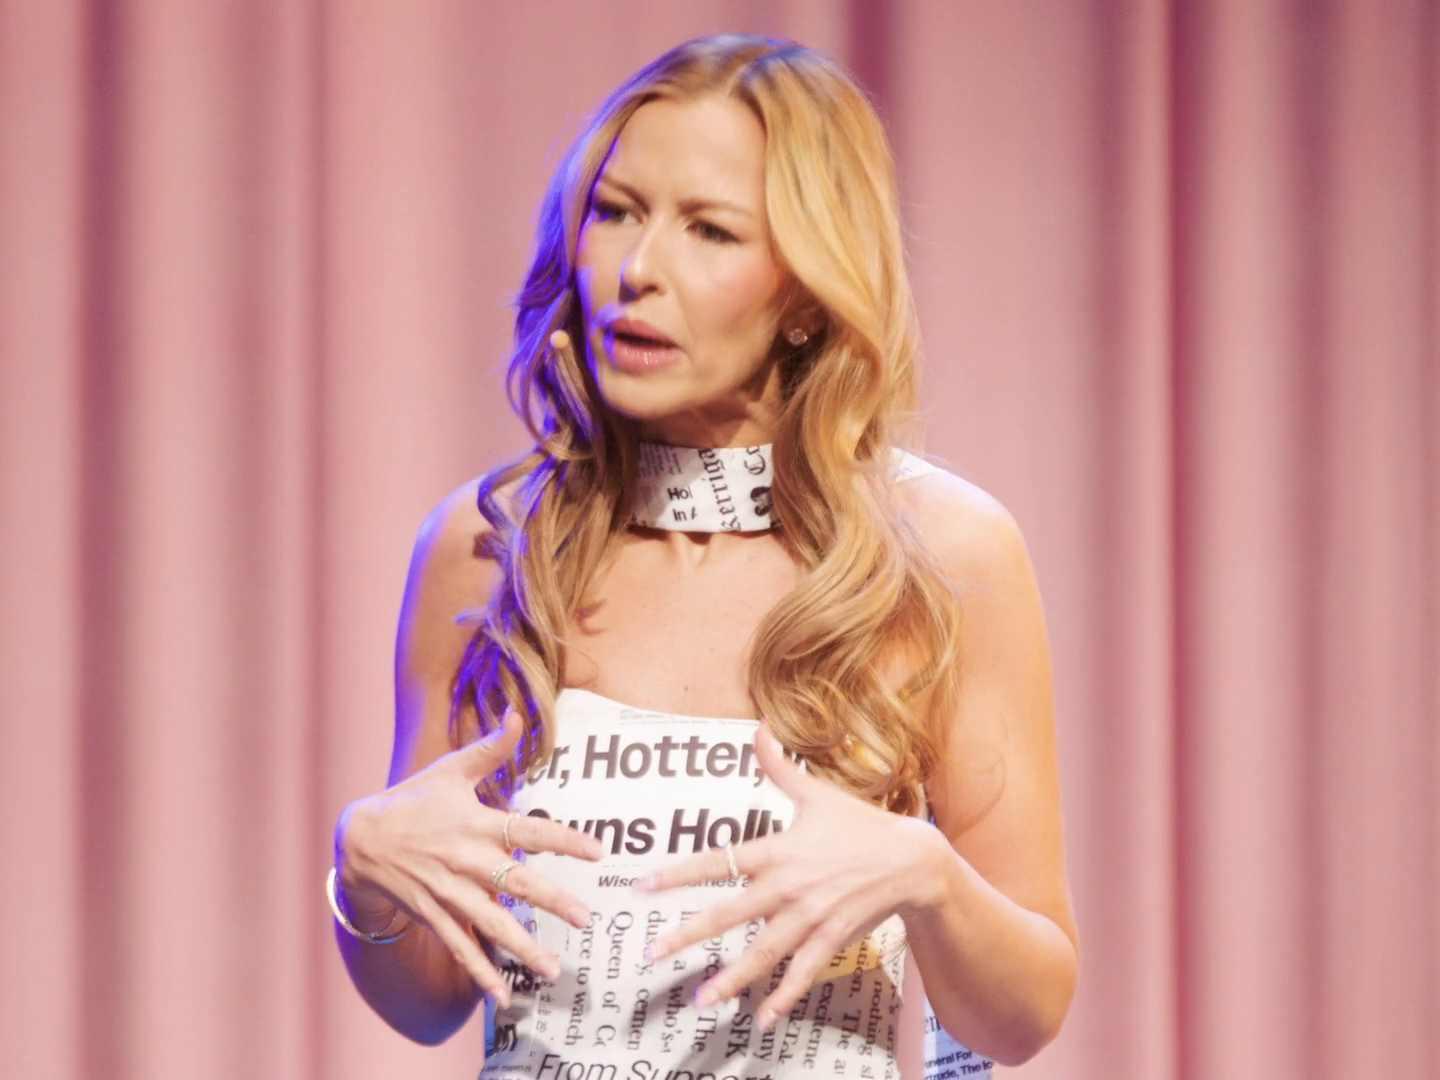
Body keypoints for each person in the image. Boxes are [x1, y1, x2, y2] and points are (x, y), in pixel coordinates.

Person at [328, 34, 1077, 1078]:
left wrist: (927, 877)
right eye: (614, 211)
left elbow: (1023, 1016)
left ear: (807, 293)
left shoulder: (941, 553)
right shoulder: (489, 545)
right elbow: (425, 1001)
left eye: (710, 230)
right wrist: (363, 879)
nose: (637, 271)